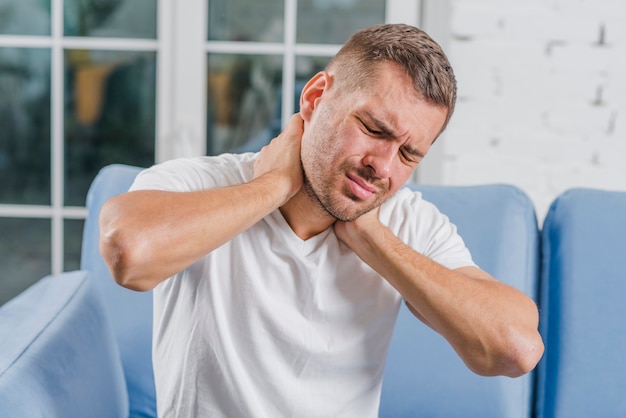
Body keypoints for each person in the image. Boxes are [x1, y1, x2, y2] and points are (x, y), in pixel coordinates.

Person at [99, 23, 544, 417]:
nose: (384, 168)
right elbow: (129, 252)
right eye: (374, 129)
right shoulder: (205, 182)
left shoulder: (407, 221)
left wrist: (369, 236)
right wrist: (275, 186)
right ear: (315, 97)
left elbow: (516, 349)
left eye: (409, 154)